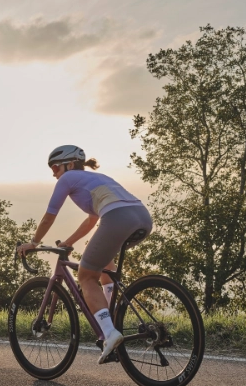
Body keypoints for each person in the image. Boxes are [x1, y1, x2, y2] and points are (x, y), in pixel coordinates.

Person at [17, 145, 153, 364]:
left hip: (117, 218)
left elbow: (49, 216)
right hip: (143, 218)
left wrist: (33, 242)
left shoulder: (67, 179)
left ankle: (109, 332)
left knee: (86, 275)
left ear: (70, 165)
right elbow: (92, 220)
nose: (53, 173)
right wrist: (69, 242)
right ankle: (111, 315)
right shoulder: (96, 178)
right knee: (104, 264)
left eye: (55, 167)